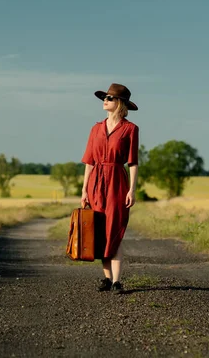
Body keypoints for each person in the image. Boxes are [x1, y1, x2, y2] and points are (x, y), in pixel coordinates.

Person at [80, 83, 139, 294]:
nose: (105, 100)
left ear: (119, 103)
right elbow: (89, 161)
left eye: (110, 98)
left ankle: (117, 281)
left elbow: (133, 162)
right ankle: (106, 278)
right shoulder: (95, 128)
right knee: (99, 230)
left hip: (117, 181)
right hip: (96, 181)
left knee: (115, 229)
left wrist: (132, 190)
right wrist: (84, 189)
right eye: (104, 97)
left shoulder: (130, 129)